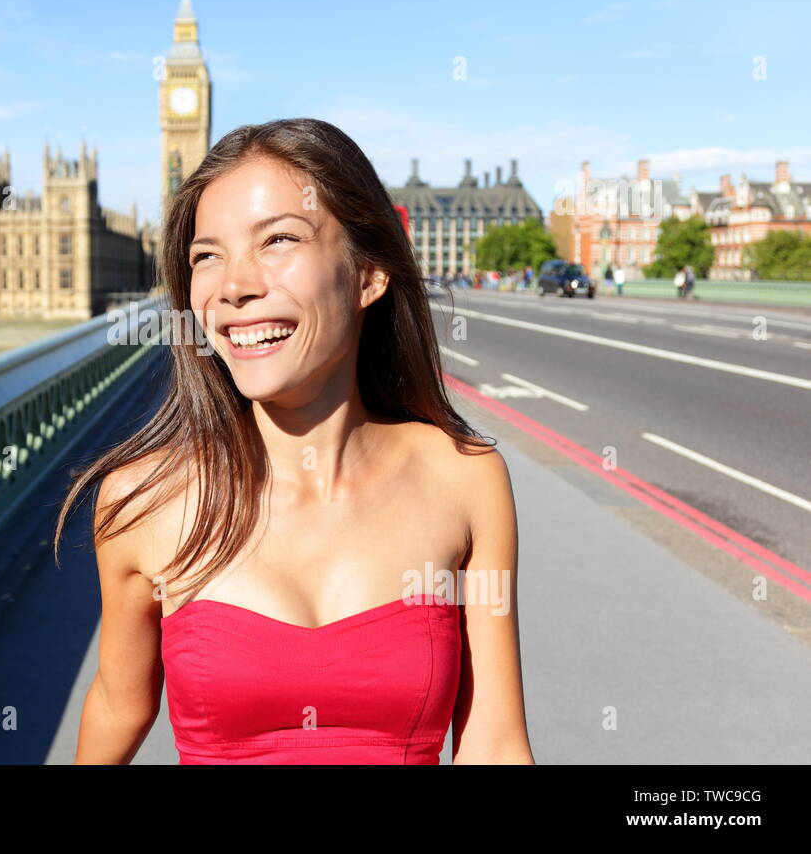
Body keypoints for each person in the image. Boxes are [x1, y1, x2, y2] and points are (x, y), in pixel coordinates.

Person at [58, 118, 534, 765]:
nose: (233, 286)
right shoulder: (141, 503)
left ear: (369, 274)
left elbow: (495, 742)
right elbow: (118, 705)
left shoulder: (466, 479)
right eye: (207, 255)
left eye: (278, 239)